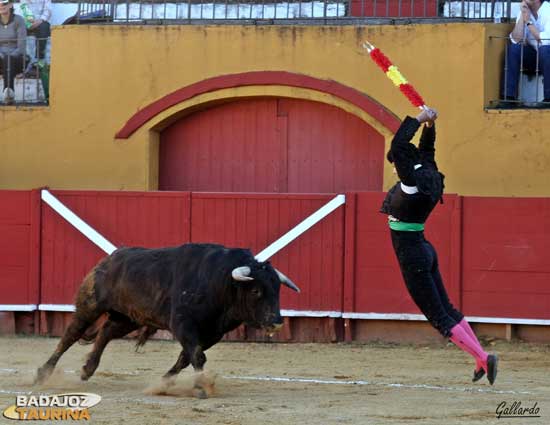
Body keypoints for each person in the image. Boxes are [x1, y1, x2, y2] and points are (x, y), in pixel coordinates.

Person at [380, 107, 498, 385]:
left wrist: (419, 119)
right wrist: (430, 127)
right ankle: (479, 356)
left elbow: (399, 146)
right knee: (448, 308)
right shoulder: (428, 173)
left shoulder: (410, 185)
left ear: (404, 165)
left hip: (412, 255)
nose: (394, 168)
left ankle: (482, 357)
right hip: (424, 249)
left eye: (395, 164)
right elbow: (425, 150)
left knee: (438, 317)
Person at [502, 0, 550, 104]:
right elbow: (516, 39)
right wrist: (523, 17)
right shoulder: (526, 11)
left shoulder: (548, 10)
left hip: (548, 56)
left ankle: (548, 99)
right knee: (513, 49)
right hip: (535, 57)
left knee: (545, 50)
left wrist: (528, 22)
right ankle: (509, 97)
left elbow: (546, 40)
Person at [0, 0, 26, 105]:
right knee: (6, 59)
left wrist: (8, 57)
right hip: (0, 58)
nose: (1, 6)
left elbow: (21, 46)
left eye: (4, 3)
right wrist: (2, 56)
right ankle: (9, 93)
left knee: (8, 59)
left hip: (17, 58)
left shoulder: (19, 20)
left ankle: (8, 90)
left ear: (10, 4)